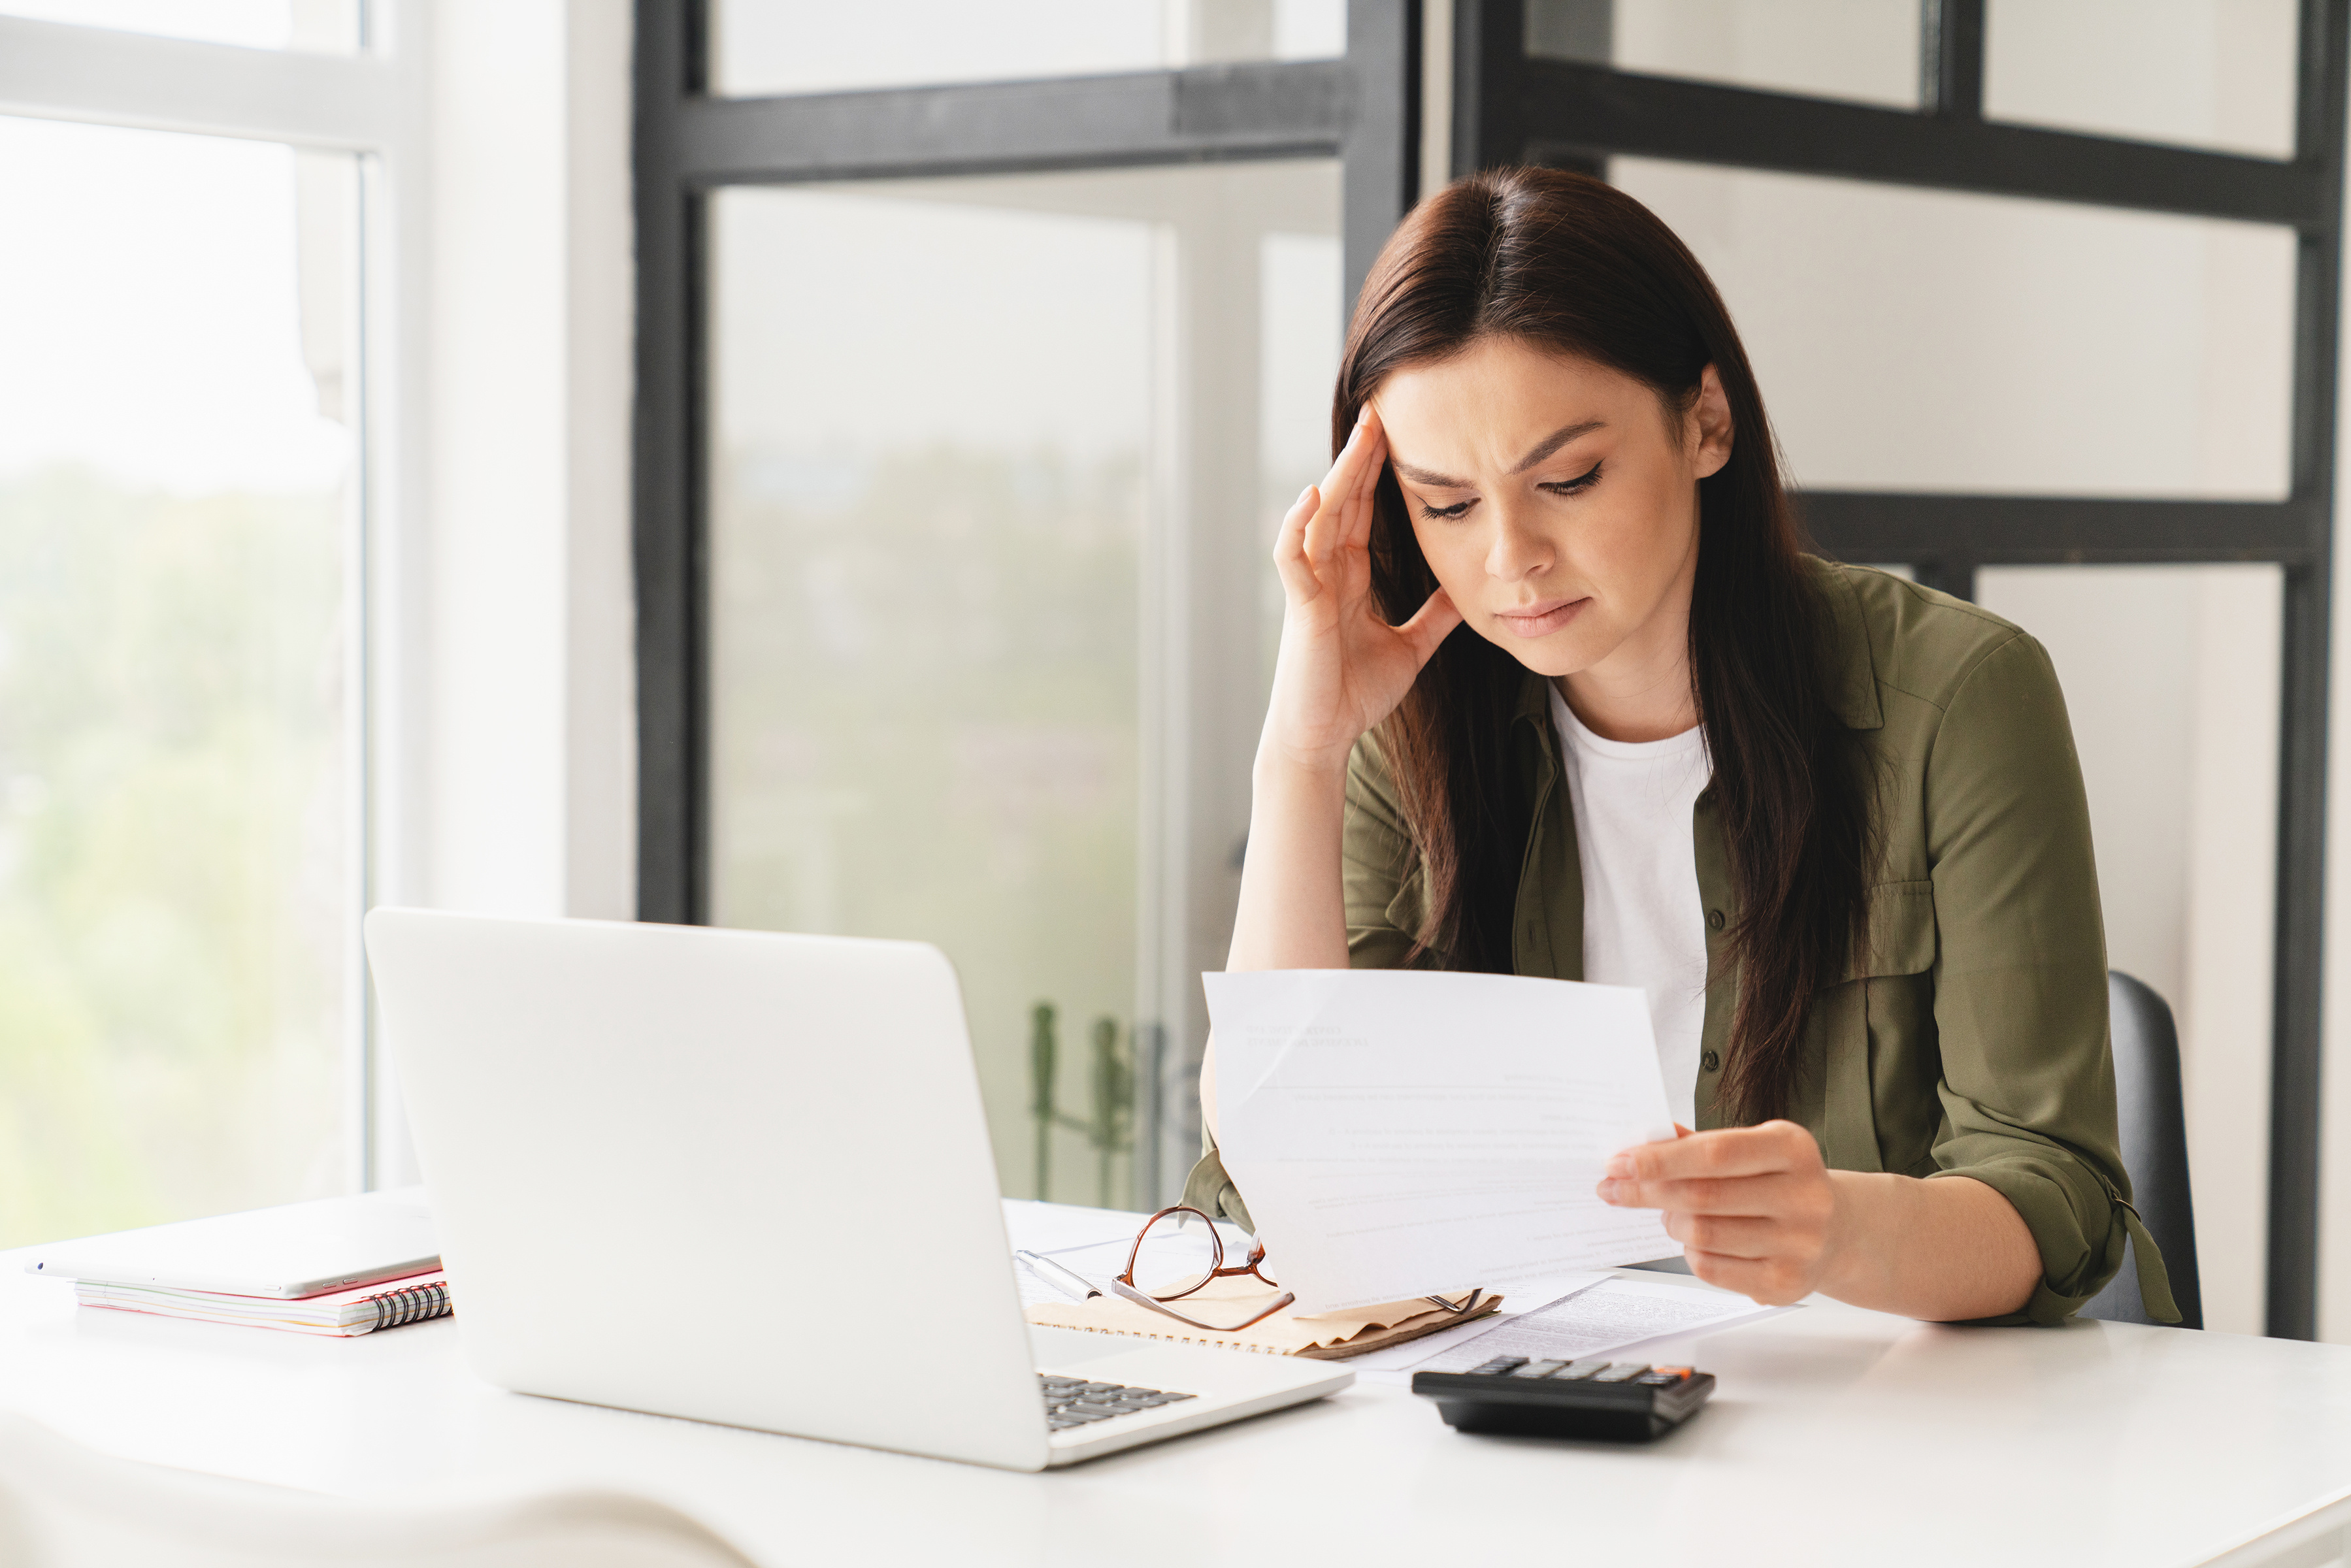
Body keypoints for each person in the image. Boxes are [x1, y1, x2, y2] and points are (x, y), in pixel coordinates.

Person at [1184, 166, 2174, 1326]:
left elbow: (2056, 1194)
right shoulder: (1410, 721)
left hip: (1902, 1415)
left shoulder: (1955, 696)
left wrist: (1838, 1230)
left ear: (1705, 422)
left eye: (1567, 478)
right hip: (1537, 1405)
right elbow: (1272, 1173)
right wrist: (1299, 756)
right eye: (1445, 504)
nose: (1510, 558)